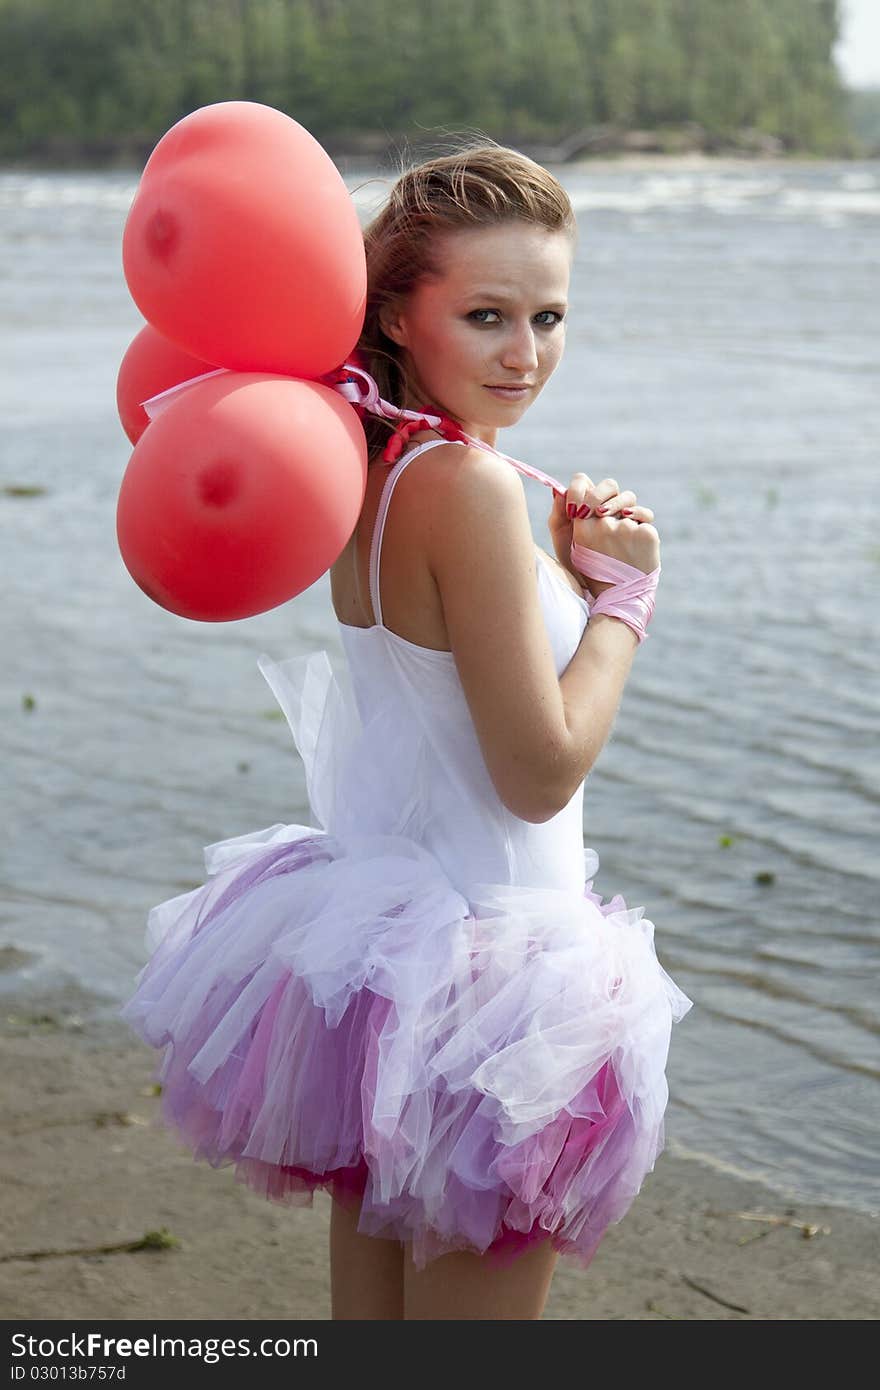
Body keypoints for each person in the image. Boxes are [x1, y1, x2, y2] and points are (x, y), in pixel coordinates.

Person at [119, 139, 692, 1321]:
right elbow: (536, 773)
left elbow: (447, 687)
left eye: (549, 314)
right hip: (500, 977)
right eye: (486, 315)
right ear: (395, 313)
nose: (525, 353)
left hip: (392, 964)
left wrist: (570, 588)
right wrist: (626, 607)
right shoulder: (470, 489)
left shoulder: (367, 472)